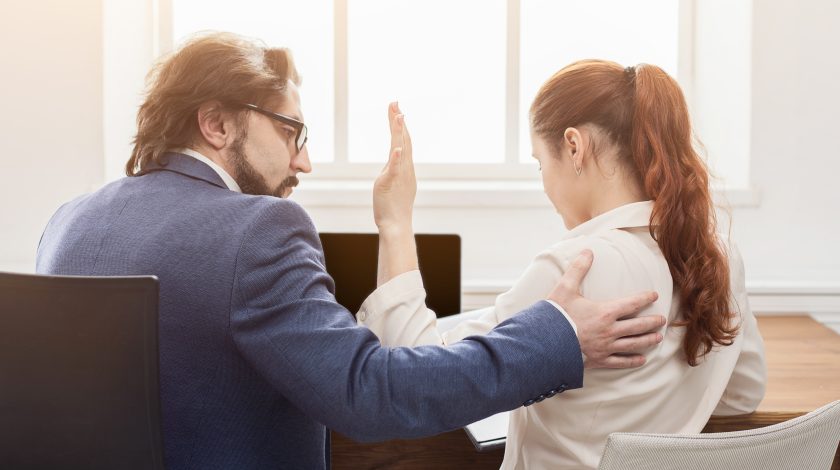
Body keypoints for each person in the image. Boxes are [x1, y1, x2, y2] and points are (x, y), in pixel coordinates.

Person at [34, 35, 665, 469]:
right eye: (291, 132)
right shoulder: (259, 229)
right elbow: (370, 395)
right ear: (218, 124)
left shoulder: (68, 223)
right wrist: (555, 336)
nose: (303, 160)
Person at [360, 59, 767, 469]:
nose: (544, 183)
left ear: (574, 146)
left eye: (540, 162)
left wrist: (395, 220)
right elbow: (741, 396)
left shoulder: (575, 269)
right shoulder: (719, 255)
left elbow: (411, 380)